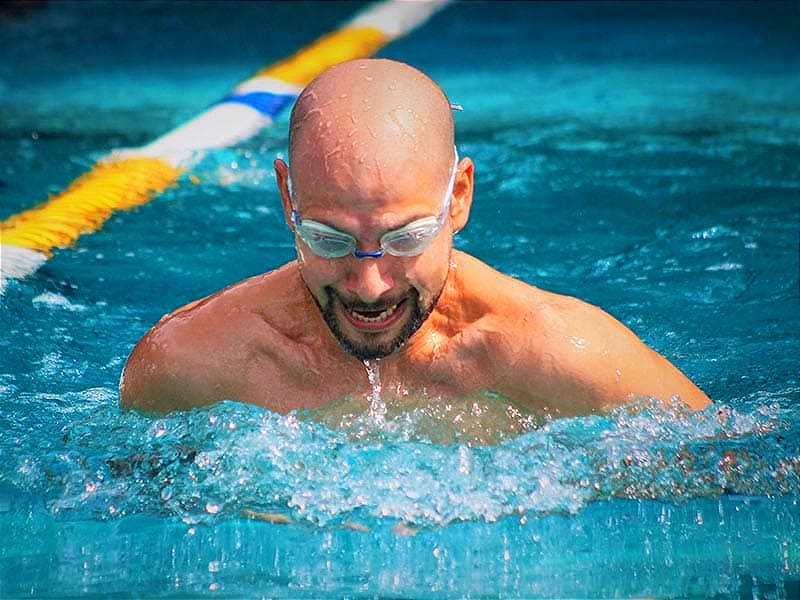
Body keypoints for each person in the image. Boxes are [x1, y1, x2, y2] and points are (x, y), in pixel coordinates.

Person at [119, 58, 710, 418]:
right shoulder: (190, 366)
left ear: (458, 198)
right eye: (330, 239)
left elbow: (745, 473)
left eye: (404, 238)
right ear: (287, 200)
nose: (369, 285)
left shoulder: (565, 358)